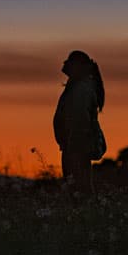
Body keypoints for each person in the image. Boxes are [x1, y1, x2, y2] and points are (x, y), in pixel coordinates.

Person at [53, 50, 105, 194]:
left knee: (80, 191)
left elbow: (80, 121)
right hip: (74, 147)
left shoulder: (81, 89)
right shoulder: (78, 86)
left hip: (76, 148)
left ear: (79, 66)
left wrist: (74, 148)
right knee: (78, 190)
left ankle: (87, 215)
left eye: (70, 61)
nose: (65, 64)